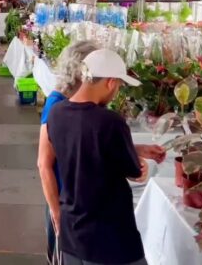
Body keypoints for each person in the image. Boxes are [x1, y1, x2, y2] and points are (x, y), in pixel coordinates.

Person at [41, 49, 166, 265]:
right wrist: (141, 165)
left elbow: (80, 145)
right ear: (110, 82)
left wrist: (135, 148)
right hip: (109, 237)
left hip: (72, 229)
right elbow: (134, 171)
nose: (116, 92)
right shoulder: (110, 121)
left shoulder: (56, 112)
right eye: (118, 86)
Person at [36, 40, 99, 264]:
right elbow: (44, 164)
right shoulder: (57, 104)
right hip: (63, 199)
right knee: (62, 254)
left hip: (78, 199)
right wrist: (56, 211)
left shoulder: (79, 101)